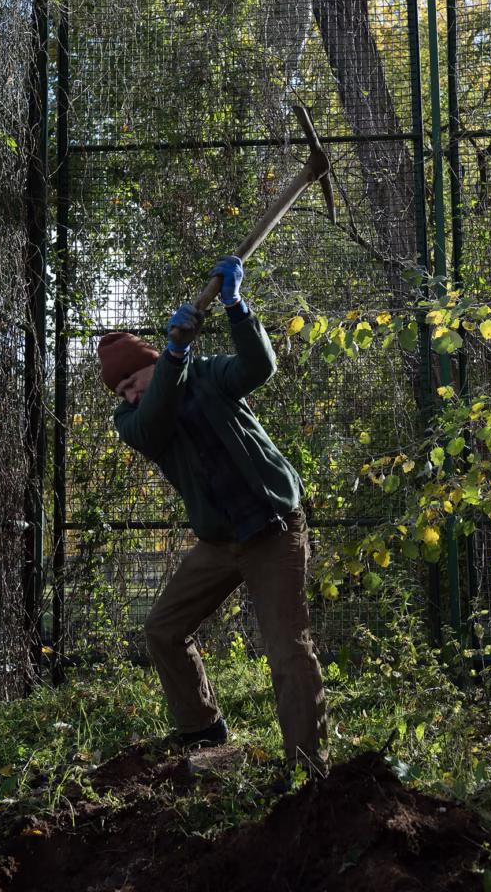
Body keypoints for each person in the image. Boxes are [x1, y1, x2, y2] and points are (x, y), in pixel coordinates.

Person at [97, 255, 328, 781]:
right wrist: (174, 354)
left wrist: (236, 307)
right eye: (120, 389)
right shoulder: (133, 419)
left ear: (149, 360)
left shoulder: (208, 373)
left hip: (272, 526)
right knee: (164, 628)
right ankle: (202, 728)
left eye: (131, 379)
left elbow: (258, 367)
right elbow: (156, 416)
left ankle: (310, 775)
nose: (128, 393)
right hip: (220, 541)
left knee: (287, 652)